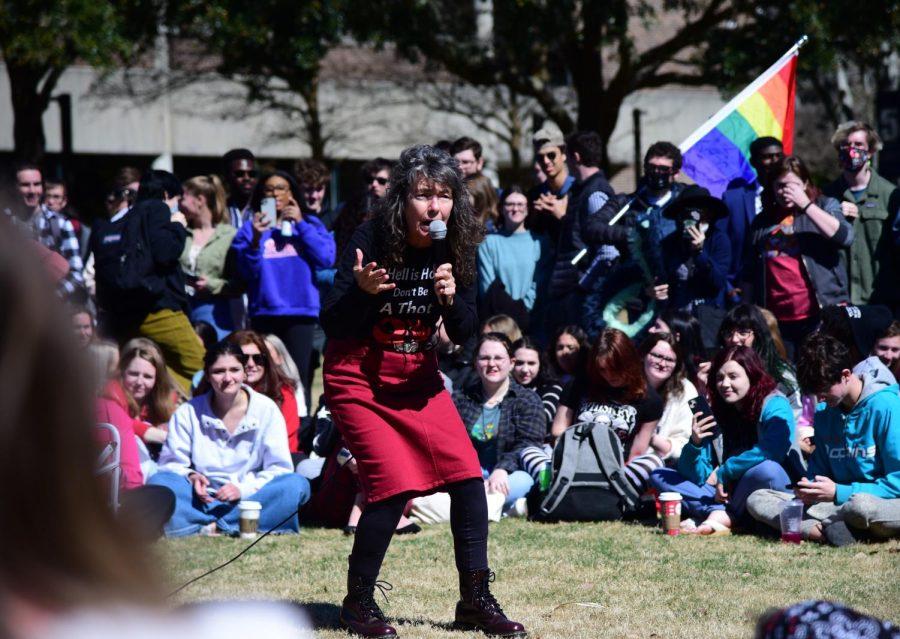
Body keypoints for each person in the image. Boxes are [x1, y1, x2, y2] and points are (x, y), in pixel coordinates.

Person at [319, 145, 525, 638]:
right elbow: (334, 322)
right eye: (423, 195)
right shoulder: (371, 235)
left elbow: (467, 327)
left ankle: (474, 600)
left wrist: (452, 302)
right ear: (401, 200)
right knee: (391, 487)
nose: (435, 207)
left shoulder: (456, 245)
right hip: (359, 376)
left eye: (445, 196)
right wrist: (363, 294)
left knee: (467, 480)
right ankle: (358, 604)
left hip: (417, 374)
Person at [747, 333, 900, 545]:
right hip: (835, 503)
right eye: (814, 392)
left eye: (824, 390)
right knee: (758, 498)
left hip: (882, 501)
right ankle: (824, 531)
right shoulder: (824, 413)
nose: (820, 399)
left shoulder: (887, 406)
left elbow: (897, 482)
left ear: (846, 375)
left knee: (861, 507)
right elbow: (819, 470)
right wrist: (808, 488)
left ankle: (820, 528)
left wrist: (840, 491)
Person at [148, 341, 310, 537]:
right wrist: (191, 477)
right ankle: (234, 522)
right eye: (219, 371)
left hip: (251, 496)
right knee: (159, 481)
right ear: (207, 375)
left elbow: (279, 468)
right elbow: (170, 464)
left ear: (244, 373)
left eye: (234, 370)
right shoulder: (187, 412)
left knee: (296, 485)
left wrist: (242, 489)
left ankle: (207, 525)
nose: (228, 378)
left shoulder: (266, 409)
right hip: (201, 498)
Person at [650, 345, 798, 535]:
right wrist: (695, 444)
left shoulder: (775, 404)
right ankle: (724, 514)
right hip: (723, 494)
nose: (725, 384)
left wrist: (726, 471)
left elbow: (773, 450)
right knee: (660, 475)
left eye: (733, 376)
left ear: (752, 375)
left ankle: (724, 515)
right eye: (719, 378)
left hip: (768, 488)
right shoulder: (717, 412)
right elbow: (697, 475)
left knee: (767, 469)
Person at [91, 169, 205, 394]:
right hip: (158, 310)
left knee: (157, 368)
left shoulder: (127, 217)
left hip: (125, 312)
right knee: (201, 364)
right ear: (165, 194)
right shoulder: (157, 208)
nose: (178, 205)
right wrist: (178, 227)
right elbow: (165, 253)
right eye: (176, 198)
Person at [232, 170, 336, 410]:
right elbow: (246, 273)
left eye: (281, 188)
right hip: (265, 312)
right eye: (268, 189)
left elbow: (326, 258)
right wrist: (256, 238)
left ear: (292, 193)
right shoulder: (250, 229)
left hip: (300, 313)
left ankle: (300, 430)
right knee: (263, 376)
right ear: (261, 195)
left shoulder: (309, 224)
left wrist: (300, 223)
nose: (275, 193)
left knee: (298, 377)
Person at [749, 155, 853, 354]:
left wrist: (806, 205)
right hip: (777, 320)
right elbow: (748, 272)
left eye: (794, 185)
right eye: (780, 185)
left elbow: (845, 237)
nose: (786, 192)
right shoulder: (762, 222)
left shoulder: (825, 205)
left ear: (805, 184)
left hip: (820, 313)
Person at [552, 328, 664, 494]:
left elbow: (638, 450)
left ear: (629, 362)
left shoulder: (649, 399)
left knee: (653, 462)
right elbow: (558, 430)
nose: (610, 375)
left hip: (617, 469)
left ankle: (608, 492)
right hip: (573, 460)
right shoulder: (578, 385)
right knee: (531, 453)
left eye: (615, 368)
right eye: (603, 369)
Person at [453, 333, 545, 510]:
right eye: (485, 358)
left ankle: (474, 506)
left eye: (498, 358)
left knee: (524, 482)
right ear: (475, 363)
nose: (492, 364)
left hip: (510, 474)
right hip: (470, 474)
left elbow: (528, 444)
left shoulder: (528, 400)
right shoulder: (460, 399)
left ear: (511, 363)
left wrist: (502, 469)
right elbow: (450, 443)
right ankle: (496, 506)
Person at [823, 121, 900, 307]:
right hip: (840, 299)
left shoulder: (890, 194)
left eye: (859, 145)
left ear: (871, 151)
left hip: (880, 298)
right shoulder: (827, 195)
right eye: (846, 145)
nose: (852, 150)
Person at [548, 131, 617, 330]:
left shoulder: (595, 193)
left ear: (575, 157)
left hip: (582, 295)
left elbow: (608, 252)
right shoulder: (582, 190)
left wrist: (583, 285)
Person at [4, 163, 85, 301]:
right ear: (14, 188)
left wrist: (50, 299)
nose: (32, 190)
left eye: (36, 184)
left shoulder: (61, 224)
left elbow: (76, 275)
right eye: (25, 185)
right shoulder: (5, 223)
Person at [477, 185, 552, 330]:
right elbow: (489, 288)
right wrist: (509, 320)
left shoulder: (540, 243)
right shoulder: (488, 243)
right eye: (510, 204)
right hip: (498, 323)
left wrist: (522, 311)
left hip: (533, 322)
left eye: (520, 204)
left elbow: (540, 285)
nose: (515, 209)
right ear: (501, 208)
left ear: (528, 208)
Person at [720, 136, 784, 305]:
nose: (774, 162)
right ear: (754, 162)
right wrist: (728, 289)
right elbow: (719, 246)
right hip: (741, 292)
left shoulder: (796, 197)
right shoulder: (732, 199)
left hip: (785, 290)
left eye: (778, 156)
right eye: (767, 157)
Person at [179, 174, 240, 339]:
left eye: (183, 197)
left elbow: (239, 283)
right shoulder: (181, 233)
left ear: (199, 200)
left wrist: (211, 284)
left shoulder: (229, 236)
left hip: (214, 311)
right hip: (182, 309)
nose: (179, 203)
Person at [717, 304, 801, 418]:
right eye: (728, 333)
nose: (734, 340)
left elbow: (797, 418)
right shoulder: (719, 372)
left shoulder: (780, 374)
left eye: (743, 332)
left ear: (758, 334)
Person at [226, 330, 301, 454]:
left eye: (258, 358)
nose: (251, 364)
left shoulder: (283, 392)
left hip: (277, 461)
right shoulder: (219, 393)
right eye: (243, 359)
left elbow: (285, 443)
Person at [658, 184, 731, 311]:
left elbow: (718, 282)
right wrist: (658, 290)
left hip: (707, 315)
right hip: (676, 315)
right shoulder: (669, 243)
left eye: (699, 213)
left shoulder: (719, 239)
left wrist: (700, 252)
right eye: (688, 213)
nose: (693, 219)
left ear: (710, 214)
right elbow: (661, 278)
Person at [103, 338, 180, 456]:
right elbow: (122, 423)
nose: (140, 382)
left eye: (147, 377)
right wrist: (159, 434)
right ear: (122, 372)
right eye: (133, 374)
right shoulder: (111, 393)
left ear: (157, 379)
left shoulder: (164, 399)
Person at [639, 333, 697, 464]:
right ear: (643, 355)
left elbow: (684, 443)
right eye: (657, 356)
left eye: (670, 360)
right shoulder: (627, 382)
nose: (662, 363)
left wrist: (648, 436)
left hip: (662, 463)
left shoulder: (686, 389)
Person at [527, 122, 574, 242]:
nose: (546, 161)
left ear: (563, 155)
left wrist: (562, 216)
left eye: (551, 155)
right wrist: (535, 215)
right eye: (540, 157)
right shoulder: (535, 195)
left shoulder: (578, 190)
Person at [511, 336, 563, 431]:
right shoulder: (502, 388)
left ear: (540, 365)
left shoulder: (552, 388)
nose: (525, 369)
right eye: (519, 363)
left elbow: (541, 419)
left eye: (531, 363)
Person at [222, 148, 258, 229]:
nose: (247, 178)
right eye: (239, 174)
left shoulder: (263, 209)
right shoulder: (218, 210)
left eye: (252, 174)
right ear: (227, 176)